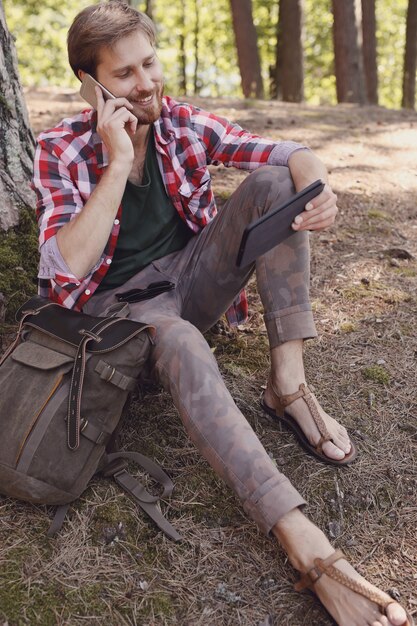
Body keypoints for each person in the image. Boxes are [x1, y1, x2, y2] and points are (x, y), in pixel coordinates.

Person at [31, 3, 413, 625]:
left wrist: (316, 177)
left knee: (278, 185)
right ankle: (307, 546)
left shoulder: (178, 120)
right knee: (179, 338)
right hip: (123, 317)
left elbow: (276, 149)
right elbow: (65, 267)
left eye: (149, 63)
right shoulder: (61, 149)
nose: (147, 83)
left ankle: (288, 384)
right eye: (124, 75)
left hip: (191, 283)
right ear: (91, 86)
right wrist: (118, 160)